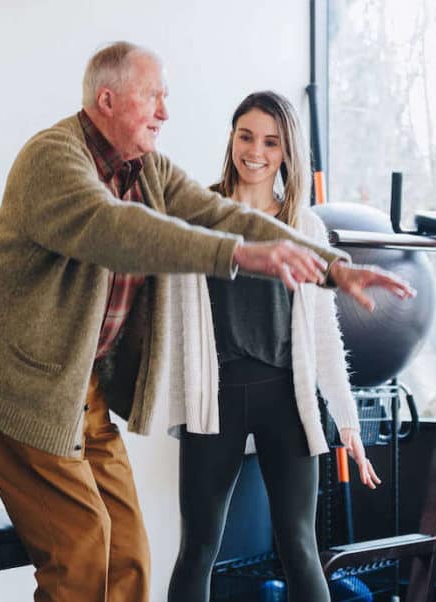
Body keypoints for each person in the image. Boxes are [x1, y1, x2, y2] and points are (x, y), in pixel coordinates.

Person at [0, 43, 413, 602]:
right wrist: (239, 255)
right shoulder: (53, 159)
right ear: (108, 99)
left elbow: (220, 214)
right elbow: (116, 228)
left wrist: (334, 268)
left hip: (78, 382)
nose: (166, 111)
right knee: (82, 548)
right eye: (154, 97)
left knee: (127, 551)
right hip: (16, 378)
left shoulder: (146, 169)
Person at [167, 91, 382, 602]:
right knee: (198, 547)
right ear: (232, 138)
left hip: (286, 399)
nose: (255, 151)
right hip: (214, 398)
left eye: (270, 141)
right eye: (246, 136)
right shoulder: (202, 213)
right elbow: (170, 314)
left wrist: (346, 419)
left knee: (299, 547)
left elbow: (323, 334)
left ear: (287, 151)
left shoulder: (303, 225)